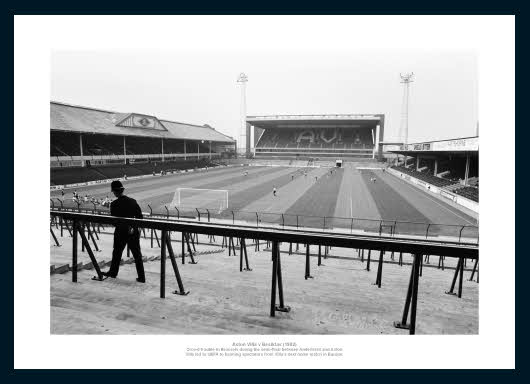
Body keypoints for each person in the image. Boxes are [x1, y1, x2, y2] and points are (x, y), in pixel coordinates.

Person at [102, 180, 146, 283]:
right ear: (122, 190)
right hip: (132, 231)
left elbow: (114, 221)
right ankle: (142, 277)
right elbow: (140, 217)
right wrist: (133, 227)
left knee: (117, 253)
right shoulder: (133, 201)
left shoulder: (114, 204)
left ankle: (113, 272)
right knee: (137, 255)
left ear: (114, 192)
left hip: (120, 232)